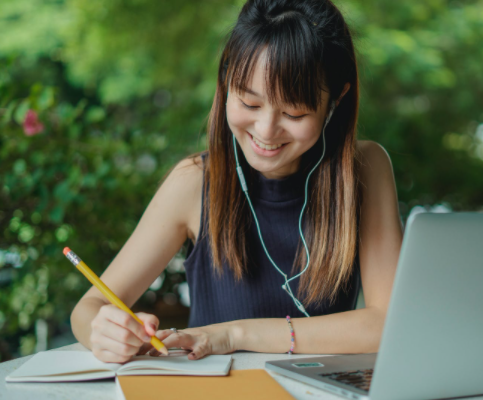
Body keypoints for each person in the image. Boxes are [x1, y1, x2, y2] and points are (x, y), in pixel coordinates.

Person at [70, 0, 403, 363]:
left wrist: (234, 334)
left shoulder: (365, 169)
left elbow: (389, 324)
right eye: (249, 103)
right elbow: (89, 307)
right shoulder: (194, 182)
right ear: (227, 81)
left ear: (336, 99)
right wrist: (104, 332)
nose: (266, 131)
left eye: (294, 112)